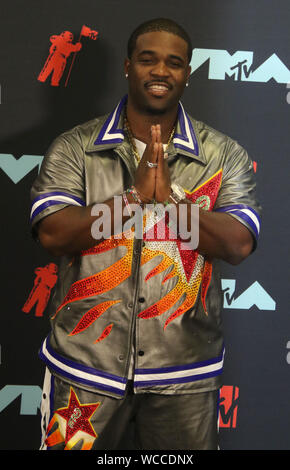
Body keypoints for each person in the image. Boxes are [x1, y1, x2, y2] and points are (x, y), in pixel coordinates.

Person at [30, 18, 261, 450]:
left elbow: (238, 243)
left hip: (184, 375)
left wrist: (171, 204)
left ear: (188, 74)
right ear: (127, 66)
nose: (161, 71)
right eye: (148, 59)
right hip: (86, 372)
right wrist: (132, 200)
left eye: (174, 63)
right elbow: (54, 235)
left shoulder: (223, 153)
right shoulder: (75, 147)